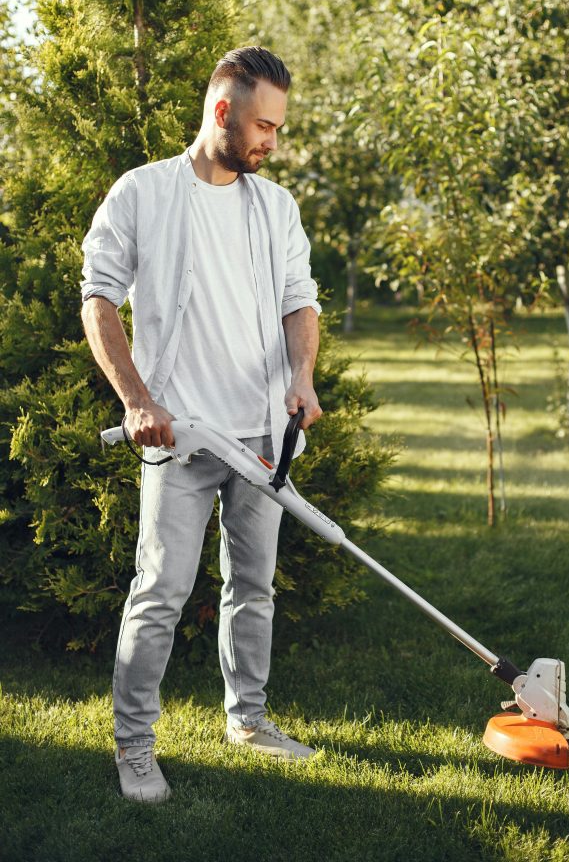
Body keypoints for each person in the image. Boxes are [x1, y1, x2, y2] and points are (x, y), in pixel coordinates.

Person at [80, 46, 323, 804]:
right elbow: (98, 299)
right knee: (159, 591)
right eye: (261, 125)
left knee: (253, 587)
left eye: (277, 129)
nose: (271, 143)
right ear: (221, 110)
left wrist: (301, 377)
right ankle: (134, 746)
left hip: (259, 439)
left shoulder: (273, 205)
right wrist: (137, 400)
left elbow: (298, 299)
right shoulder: (143, 193)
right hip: (180, 438)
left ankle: (247, 720)